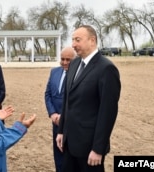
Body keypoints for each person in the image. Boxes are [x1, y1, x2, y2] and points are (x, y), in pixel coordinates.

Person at [56, 25, 121, 172]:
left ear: (92, 40)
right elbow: (68, 101)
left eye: (77, 40)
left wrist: (98, 149)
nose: (73, 44)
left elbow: (107, 113)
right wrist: (61, 131)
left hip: (89, 148)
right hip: (68, 143)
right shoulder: (74, 64)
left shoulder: (106, 69)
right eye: (72, 40)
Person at [44, 46, 77, 172]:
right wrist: (52, 113)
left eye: (68, 60)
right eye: (62, 59)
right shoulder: (54, 72)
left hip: (71, 123)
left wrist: (63, 116)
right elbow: (47, 94)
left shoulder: (79, 75)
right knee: (58, 154)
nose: (64, 62)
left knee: (70, 156)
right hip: (56, 122)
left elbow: (75, 100)